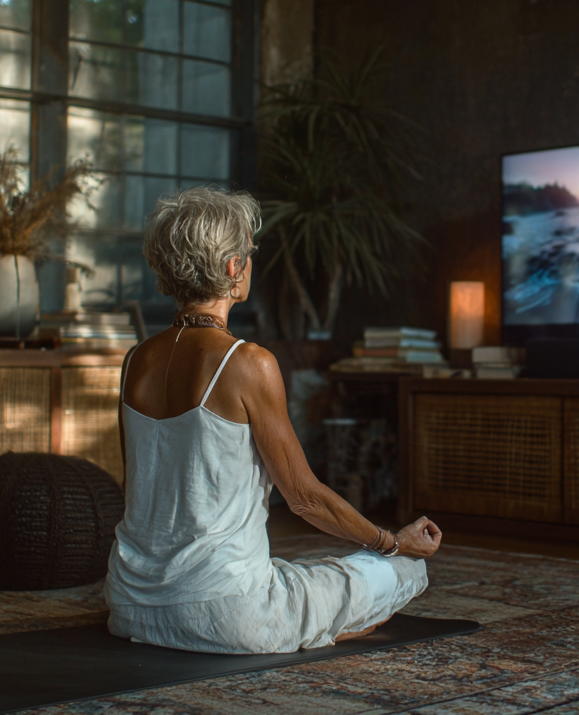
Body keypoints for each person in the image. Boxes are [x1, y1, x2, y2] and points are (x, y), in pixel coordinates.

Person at [104, 185, 441, 653]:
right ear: (231, 267)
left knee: (304, 576)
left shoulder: (134, 360)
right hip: (225, 615)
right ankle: (324, 615)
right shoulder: (249, 362)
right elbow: (304, 499)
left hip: (130, 606)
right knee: (402, 571)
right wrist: (392, 542)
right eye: (248, 253)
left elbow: (141, 486)